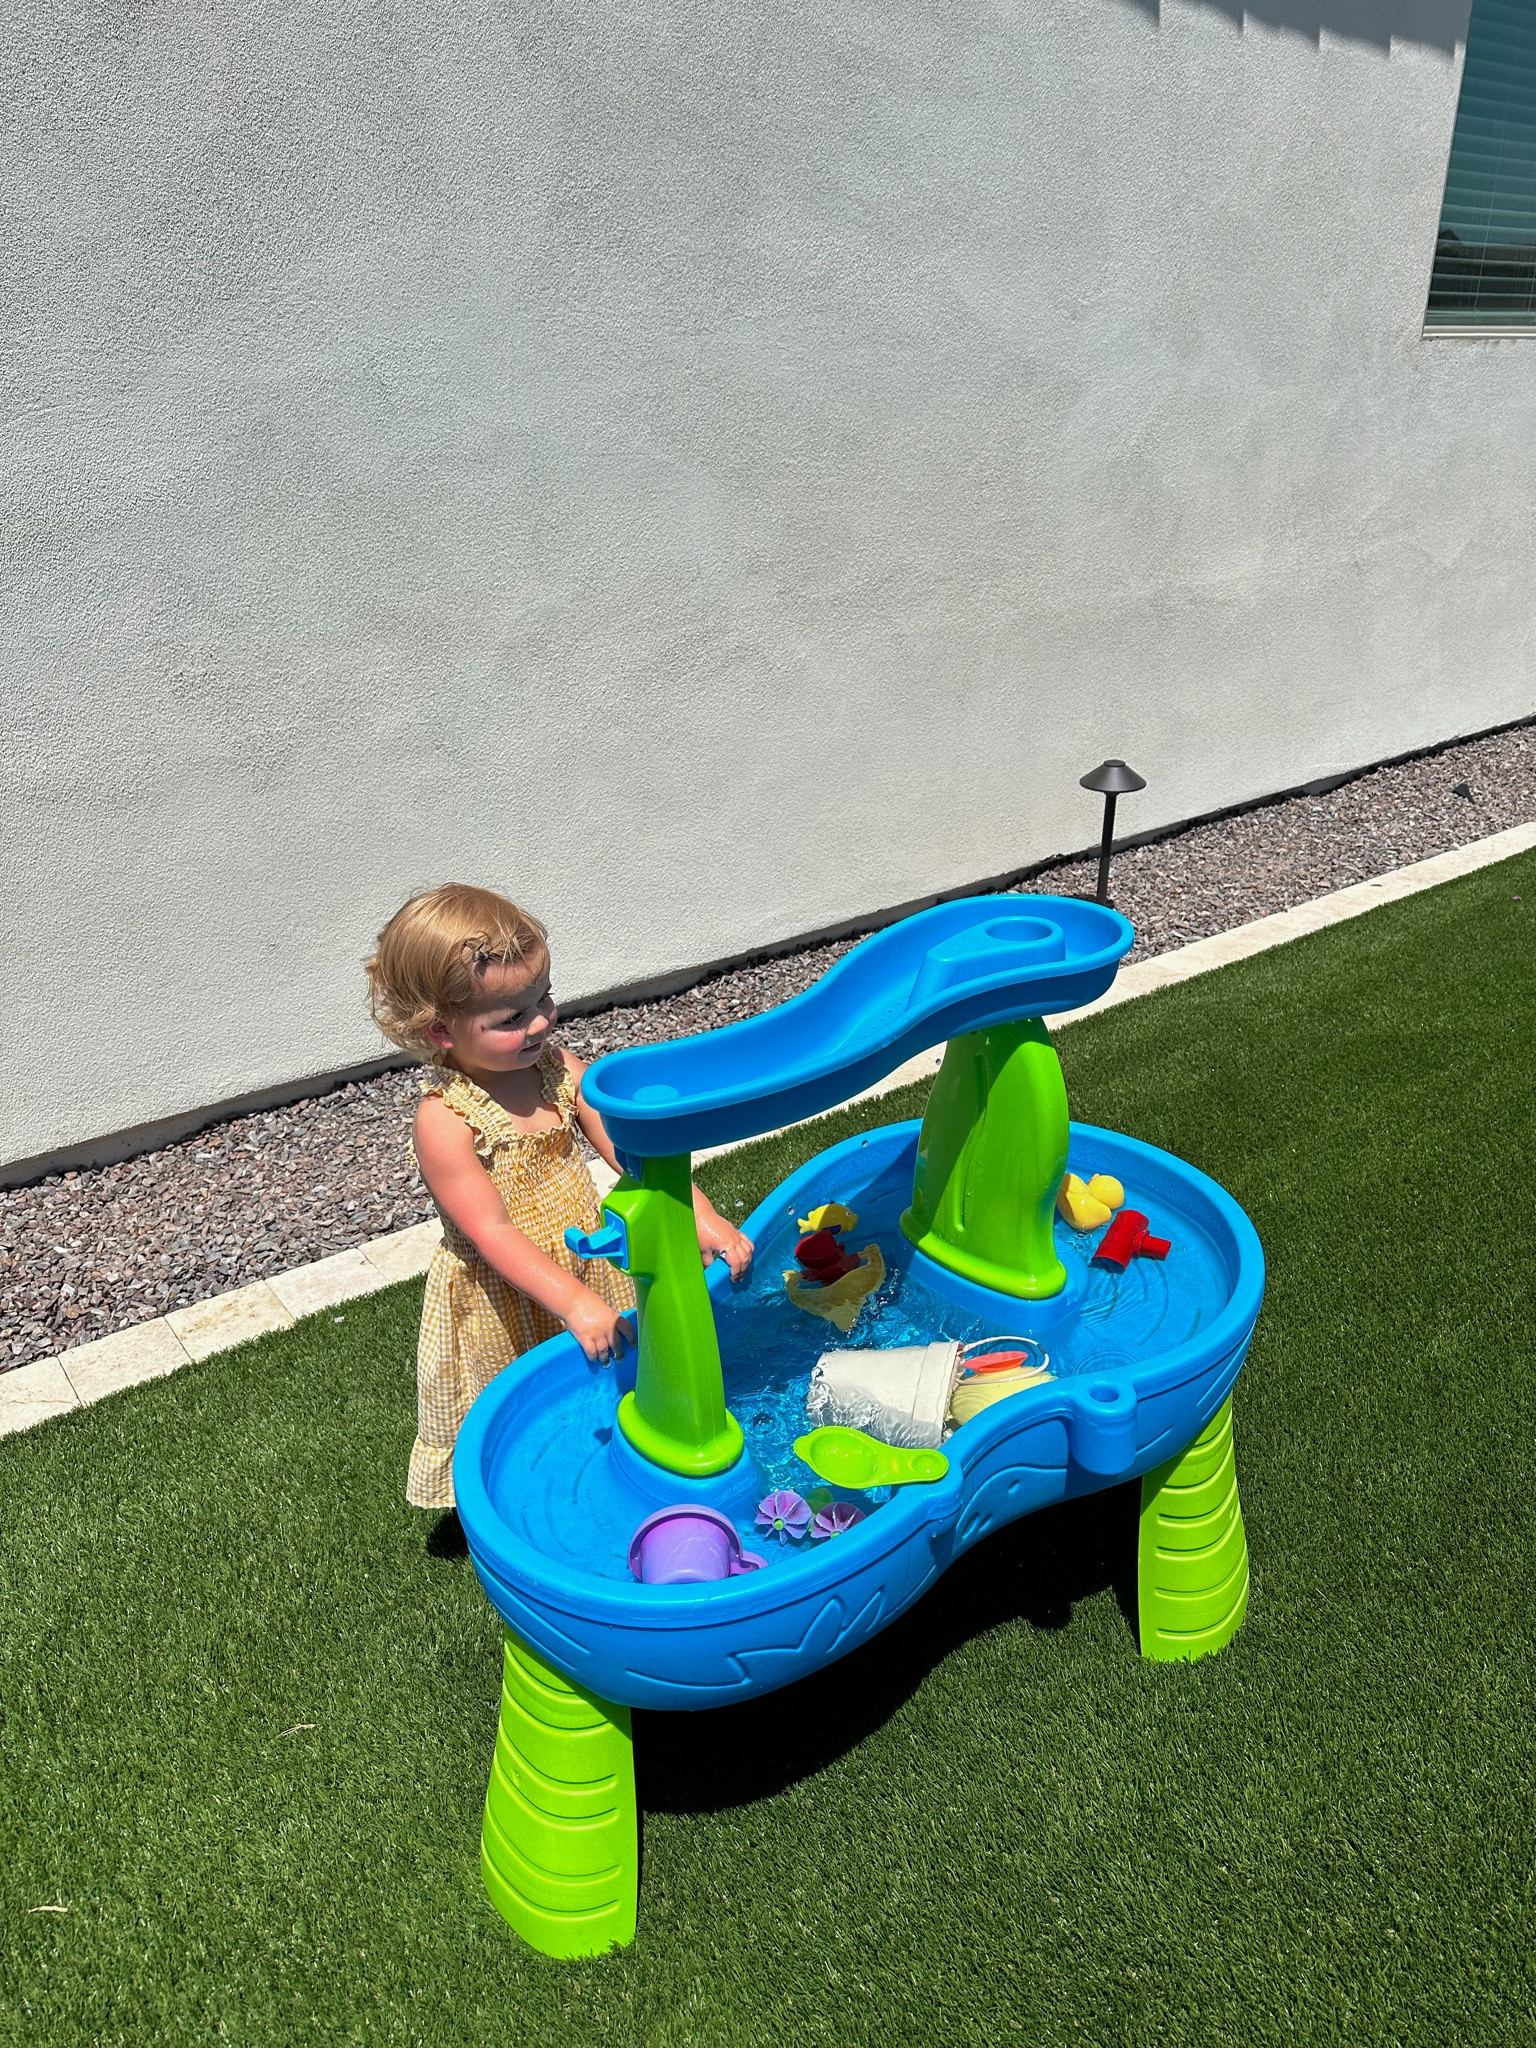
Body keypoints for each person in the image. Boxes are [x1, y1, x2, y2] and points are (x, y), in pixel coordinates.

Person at [365, 884, 753, 1510]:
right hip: (502, 1292)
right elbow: (492, 1235)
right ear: (441, 1030)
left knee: (611, 1380)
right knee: (522, 1411)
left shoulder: (559, 1071)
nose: (540, 1022)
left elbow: (636, 1159)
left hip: (584, 1258)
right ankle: (518, 1508)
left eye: (542, 998)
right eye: (510, 1019)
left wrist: (702, 1216)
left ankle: (614, 1473)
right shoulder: (447, 1121)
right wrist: (573, 1302)